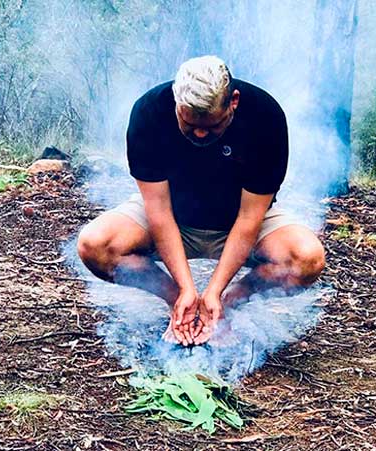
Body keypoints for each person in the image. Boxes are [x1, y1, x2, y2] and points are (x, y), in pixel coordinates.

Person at [77, 55, 325, 346]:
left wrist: (216, 293)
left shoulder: (265, 117)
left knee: (307, 259)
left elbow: (249, 219)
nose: (200, 133)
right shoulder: (149, 113)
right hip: (172, 218)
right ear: (175, 101)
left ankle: (222, 309)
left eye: (212, 125)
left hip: (241, 220)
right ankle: (181, 305)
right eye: (189, 122)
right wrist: (184, 289)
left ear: (233, 102)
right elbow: (158, 212)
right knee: (94, 245)